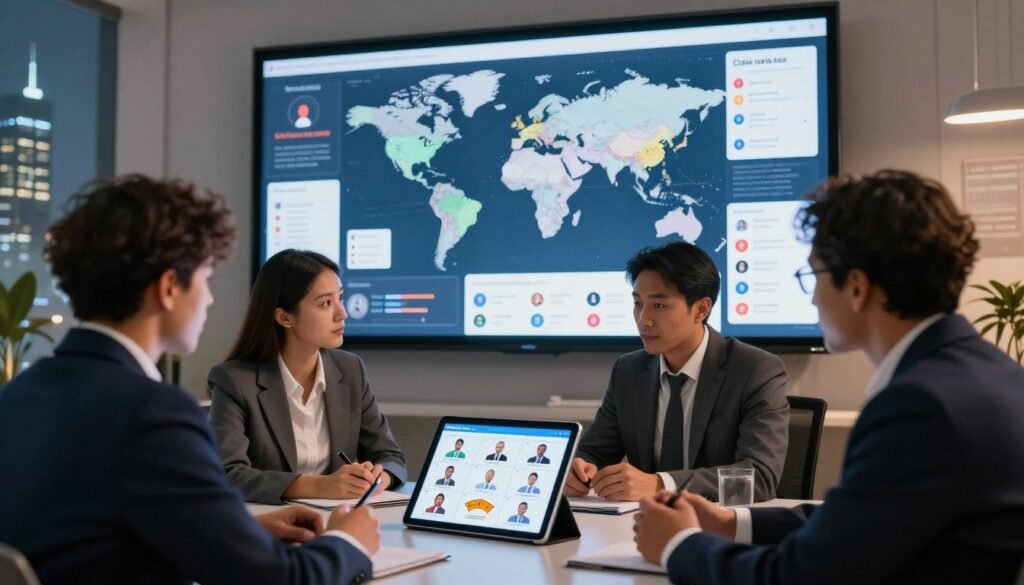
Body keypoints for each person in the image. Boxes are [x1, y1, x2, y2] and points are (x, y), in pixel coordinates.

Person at [634, 170, 1024, 584]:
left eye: (814, 276)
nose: (815, 297)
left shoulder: (920, 405)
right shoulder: (992, 374)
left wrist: (679, 545)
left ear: (856, 287)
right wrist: (733, 523)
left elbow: (800, 578)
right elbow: (865, 519)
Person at [0, 175, 380, 585]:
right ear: (168, 288)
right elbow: (280, 580)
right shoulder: (151, 413)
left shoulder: (18, 395)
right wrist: (348, 542)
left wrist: (240, 533)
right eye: (205, 278)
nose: (210, 298)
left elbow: (88, 539)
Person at [566, 242, 789, 502]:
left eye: (659, 306)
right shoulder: (627, 371)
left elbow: (758, 477)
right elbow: (594, 452)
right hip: (640, 527)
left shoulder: (756, 370)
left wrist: (661, 484)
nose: (643, 319)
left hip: (719, 527)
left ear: (701, 309)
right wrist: (579, 469)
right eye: (638, 304)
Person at [208, 249, 407, 504]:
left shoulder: (350, 370)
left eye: (341, 299)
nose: (342, 313)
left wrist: (379, 477)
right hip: (267, 524)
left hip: (337, 516)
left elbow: (390, 455)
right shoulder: (234, 380)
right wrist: (321, 486)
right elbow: (228, 474)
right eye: (326, 303)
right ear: (284, 317)